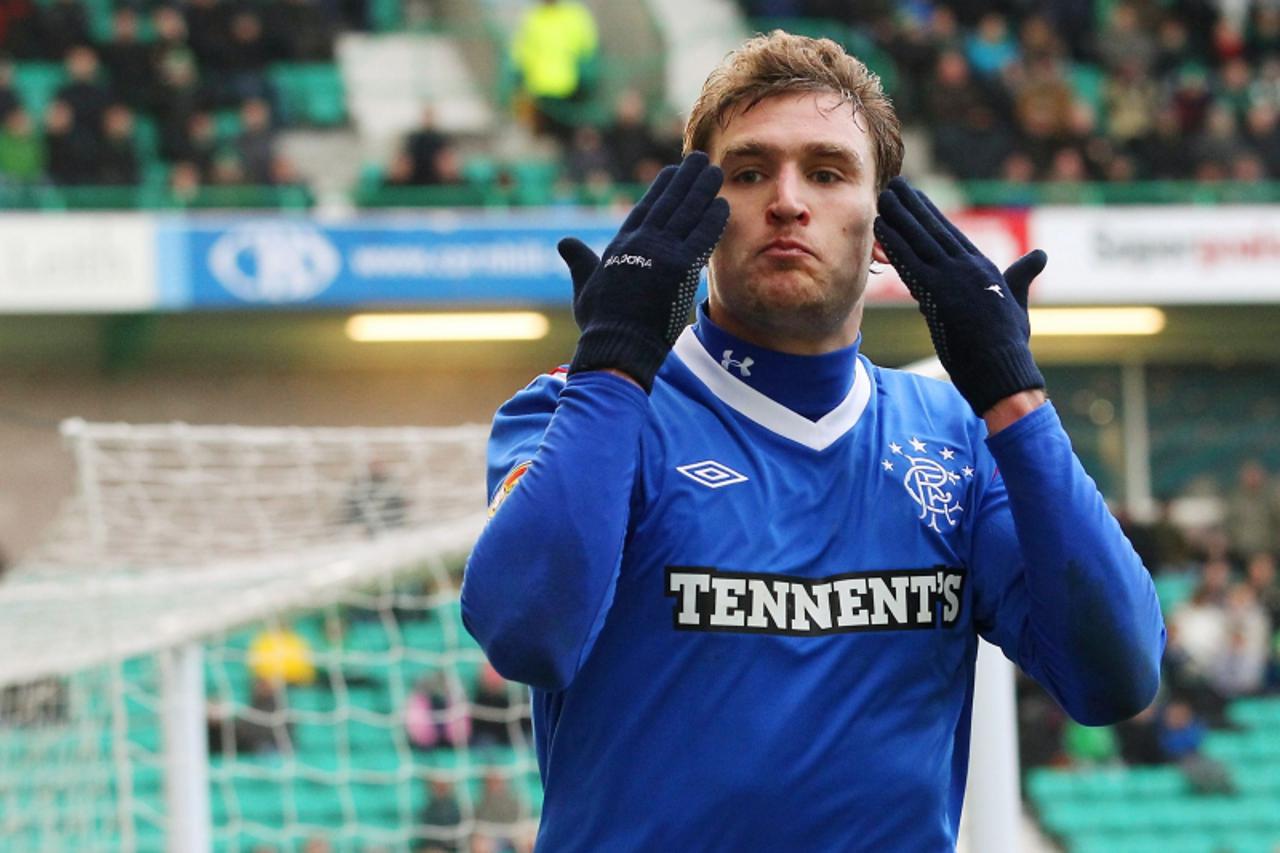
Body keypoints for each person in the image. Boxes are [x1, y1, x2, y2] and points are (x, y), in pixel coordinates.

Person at [461, 30, 1165, 851]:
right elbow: (523, 631)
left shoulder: (960, 440)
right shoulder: (574, 411)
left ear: (882, 225)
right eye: (749, 172)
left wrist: (1013, 393)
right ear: (698, 216)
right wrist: (614, 365)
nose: (787, 199)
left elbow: (1117, 675)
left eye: (827, 172)